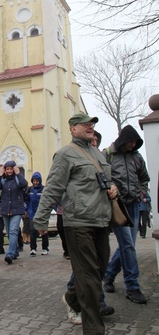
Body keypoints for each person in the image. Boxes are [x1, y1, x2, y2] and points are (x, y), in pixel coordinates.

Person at [34, 112, 117, 335]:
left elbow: (106, 181)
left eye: (92, 124)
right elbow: (52, 188)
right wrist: (41, 218)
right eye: (85, 124)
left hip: (101, 221)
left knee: (99, 271)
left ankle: (71, 298)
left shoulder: (98, 155)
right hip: (78, 222)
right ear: (73, 129)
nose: (90, 126)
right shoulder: (65, 154)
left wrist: (114, 187)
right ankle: (94, 329)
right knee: (89, 280)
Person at [103, 125, 150, 304]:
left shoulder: (137, 158)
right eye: (130, 141)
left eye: (135, 142)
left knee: (127, 245)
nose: (132, 145)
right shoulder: (108, 155)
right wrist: (111, 189)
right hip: (118, 206)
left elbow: (144, 178)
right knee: (128, 246)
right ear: (123, 140)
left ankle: (108, 275)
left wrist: (142, 193)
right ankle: (132, 286)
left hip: (135, 206)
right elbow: (102, 176)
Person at [0, 160, 28, 264]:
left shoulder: (18, 179)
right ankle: (15, 251)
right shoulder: (3, 180)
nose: (9, 171)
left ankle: (9, 254)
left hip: (17, 209)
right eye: (7, 169)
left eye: (11, 169)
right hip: (5, 209)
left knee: (13, 231)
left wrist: (18, 173)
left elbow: (24, 184)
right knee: (9, 232)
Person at [25, 172, 49, 256]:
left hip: (42, 213)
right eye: (34, 181)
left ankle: (45, 248)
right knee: (32, 230)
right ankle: (33, 248)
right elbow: (27, 200)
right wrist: (26, 209)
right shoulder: (30, 189)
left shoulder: (43, 189)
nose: (35, 183)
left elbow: (47, 200)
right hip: (32, 212)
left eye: (37, 181)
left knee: (43, 231)